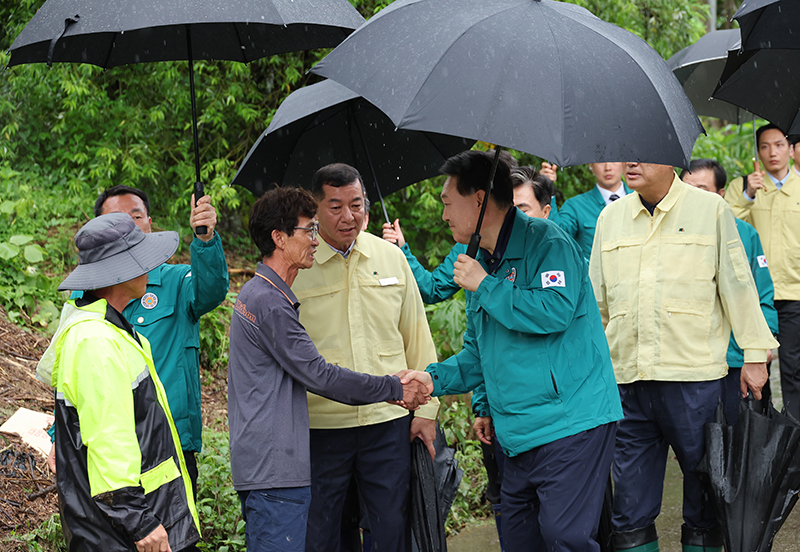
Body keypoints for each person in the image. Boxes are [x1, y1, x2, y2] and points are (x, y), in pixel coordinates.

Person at [419, 150, 622, 551]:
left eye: (447, 203)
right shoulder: (478, 260)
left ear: (479, 200)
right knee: (519, 540)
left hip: (571, 423)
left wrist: (486, 285)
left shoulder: (548, 242)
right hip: (516, 434)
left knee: (565, 538)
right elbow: (478, 355)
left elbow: (555, 311)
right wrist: (430, 379)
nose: (443, 215)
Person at [227, 186, 432, 552]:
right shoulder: (269, 303)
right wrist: (396, 388)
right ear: (279, 238)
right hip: (278, 468)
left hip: (283, 463)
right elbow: (320, 375)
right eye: (308, 230)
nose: (315, 238)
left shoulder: (264, 295)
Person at [589, 162, 779, 552]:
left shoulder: (709, 211)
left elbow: (737, 285)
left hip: (695, 383)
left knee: (706, 498)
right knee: (629, 505)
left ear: (669, 158)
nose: (631, 163)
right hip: (628, 382)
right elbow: (597, 305)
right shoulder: (610, 218)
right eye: (627, 155)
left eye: (642, 154)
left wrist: (755, 356)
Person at [382, 165, 555, 551]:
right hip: (499, 405)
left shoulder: (548, 248)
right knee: (511, 506)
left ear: (546, 210)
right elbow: (434, 294)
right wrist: (402, 252)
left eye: (524, 209)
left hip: (551, 414)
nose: (518, 218)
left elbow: (545, 321)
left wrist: (485, 283)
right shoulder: (469, 250)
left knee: (564, 527)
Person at [290, 163, 440, 552]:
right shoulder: (297, 266)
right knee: (323, 535)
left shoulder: (390, 257)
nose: (347, 216)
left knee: (391, 530)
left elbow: (416, 335)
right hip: (321, 426)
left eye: (355, 205)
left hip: (387, 422)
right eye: (335, 206)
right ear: (316, 209)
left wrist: (426, 412)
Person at [41, 213, 200, 551]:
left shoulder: (112, 329)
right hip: (118, 530)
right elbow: (109, 438)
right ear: (119, 272)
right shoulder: (96, 339)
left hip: (131, 519)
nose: (150, 267)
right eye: (140, 260)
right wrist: (138, 521)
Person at [680, 159, 779, 422]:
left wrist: (762, 344)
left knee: (740, 434)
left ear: (721, 194)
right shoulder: (672, 235)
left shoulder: (746, 234)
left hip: (737, 355)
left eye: (702, 188)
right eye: (686, 188)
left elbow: (762, 293)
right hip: (692, 359)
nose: (692, 196)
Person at [725, 124, 800, 421]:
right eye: (765, 146)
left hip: (794, 292)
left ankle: (794, 432)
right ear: (757, 152)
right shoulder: (741, 187)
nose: (773, 152)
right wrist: (748, 194)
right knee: (757, 364)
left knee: (794, 367)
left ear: (791, 149)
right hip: (755, 294)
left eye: (779, 145)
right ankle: (761, 427)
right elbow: (724, 222)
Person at [557, 162, 630, 259]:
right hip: (594, 273)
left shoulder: (643, 199)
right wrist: (546, 192)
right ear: (591, 165)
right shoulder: (575, 206)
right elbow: (557, 238)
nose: (608, 167)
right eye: (601, 161)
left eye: (613, 160)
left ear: (624, 163)